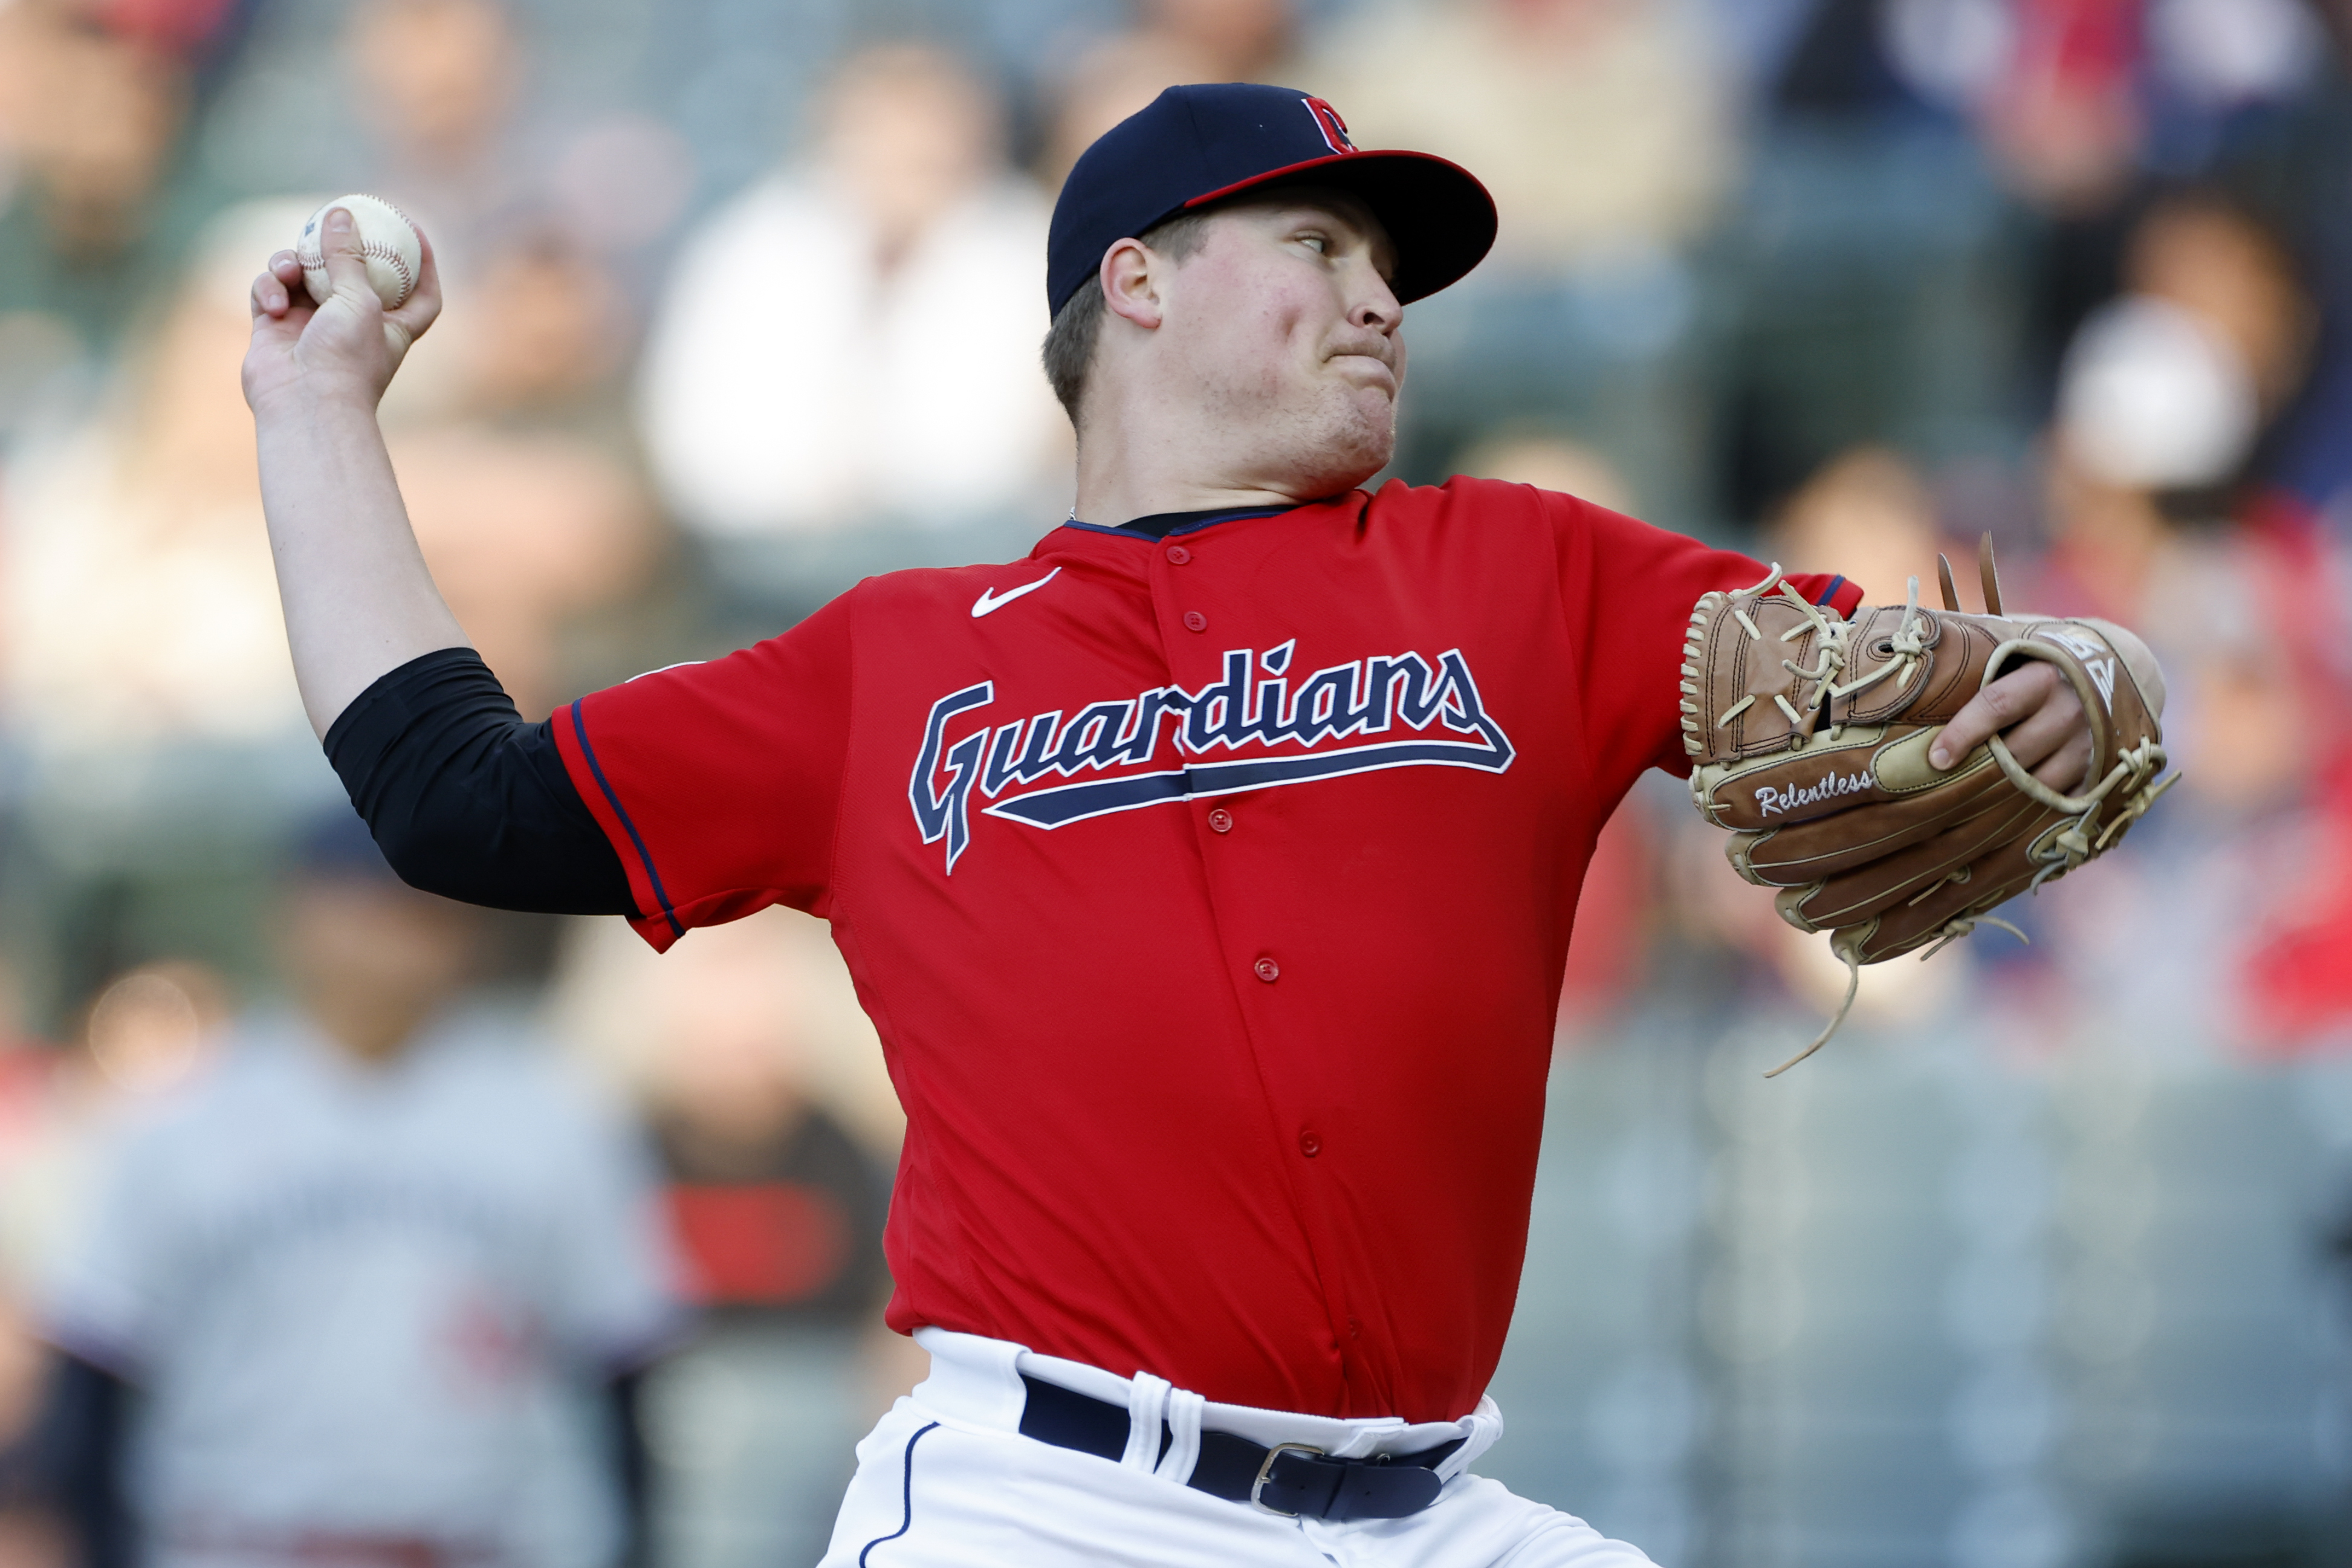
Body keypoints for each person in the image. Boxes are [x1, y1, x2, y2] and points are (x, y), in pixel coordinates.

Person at [241, 81, 2137, 1566]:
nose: (1378, 295)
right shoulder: (890, 664)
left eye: (1389, 267)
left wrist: (2075, 661)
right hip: (1044, 1513)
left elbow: (1887, 672)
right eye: (1318, 242)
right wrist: (314, 405)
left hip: (1436, 1514)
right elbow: (451, 802)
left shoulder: (1529, 572)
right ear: (1134, 277)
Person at [30, 815, 679, 1568]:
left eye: (418, 908)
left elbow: (625, 1369)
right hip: (234, 1540)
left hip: (483, 1542)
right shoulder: (185, 1117)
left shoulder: (559, 1117)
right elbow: (95, 1373)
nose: (388, 936)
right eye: (360, 904)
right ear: (293, 914)